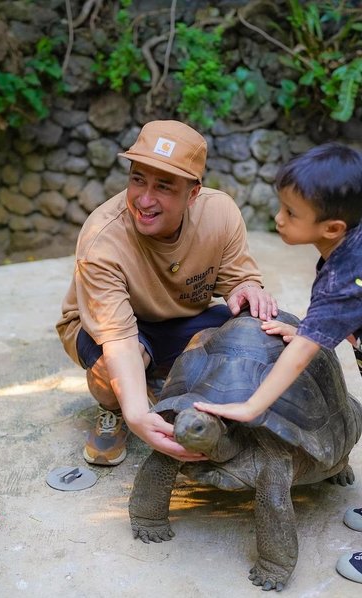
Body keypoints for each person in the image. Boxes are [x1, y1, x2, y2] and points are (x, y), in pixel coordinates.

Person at [56, 119, 278, 467]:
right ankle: (113, 409)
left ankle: (164, 381)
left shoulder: (219, 212)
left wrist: (247, 289)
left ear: (192, 193)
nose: (145, 199)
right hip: (115, 329)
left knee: (254, 327)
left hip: (183, 319)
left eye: (164, 186)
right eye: (137, 179)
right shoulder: (103, 237)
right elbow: (119, 340)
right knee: (108, 376)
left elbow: (240, 278)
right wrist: (136, 415)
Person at [195, 142, 362, 584]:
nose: (278, 219)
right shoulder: (350, 245)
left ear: (333, 227)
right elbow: (347, 311)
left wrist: (252, 408)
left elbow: (300, 357)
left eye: (290, 213)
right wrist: (312, 327)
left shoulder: (345, 277)